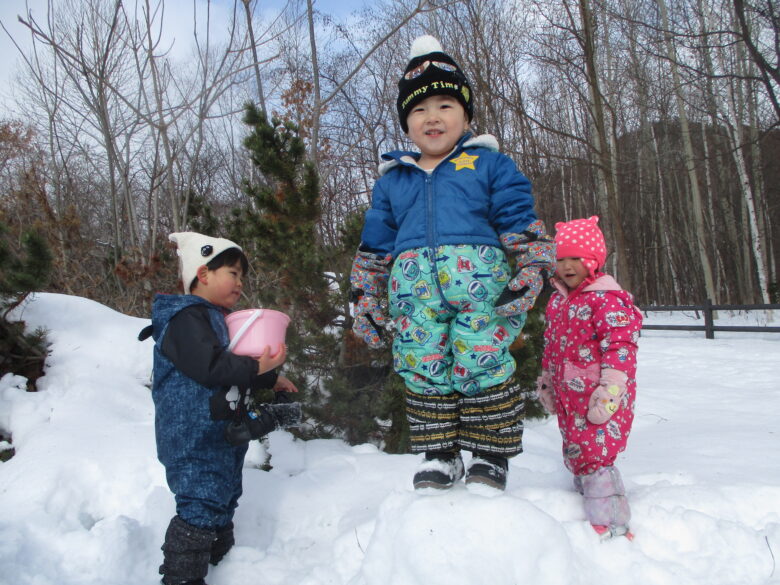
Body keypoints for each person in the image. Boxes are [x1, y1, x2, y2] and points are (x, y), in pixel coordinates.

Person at [349, 35, 554, 492]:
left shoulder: (489, 165)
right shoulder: (393, 182)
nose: (432, 117)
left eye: (445, 105)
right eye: (419, 109)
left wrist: (533, 264)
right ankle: (440, 454)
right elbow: (375, 246)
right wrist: (365, 294)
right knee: (422, 363)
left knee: (481, 359)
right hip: (414, 297)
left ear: (465, 115)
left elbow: (520, 220)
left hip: (482, 293)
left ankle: (489, 454)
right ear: (407, 123)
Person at [139, 232, 301, 585]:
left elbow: (233, 369)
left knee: (224, 496)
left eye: (242, 276)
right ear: (203, 273)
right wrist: (255, 369)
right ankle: (183, 577)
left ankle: (224, 562)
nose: (240, 282)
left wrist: (267, 380)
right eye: (233, 272)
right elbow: (209, 367)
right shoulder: (185, 318)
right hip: (192, 434)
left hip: (222, 433)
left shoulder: (218, 320)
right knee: (200, 502)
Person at [537, 216, 642, 540]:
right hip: (570, 396)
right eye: (561, 259)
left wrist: (610, 391)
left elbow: (620, 348)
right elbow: (552, 344)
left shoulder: (606, 299)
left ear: (593, 261)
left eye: (576, 259)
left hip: (600, 395)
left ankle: (611, 521)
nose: (567, 266)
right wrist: (547, 380)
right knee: (577, 449)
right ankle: (588, 490)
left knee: (596, 456)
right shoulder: (558, 300)